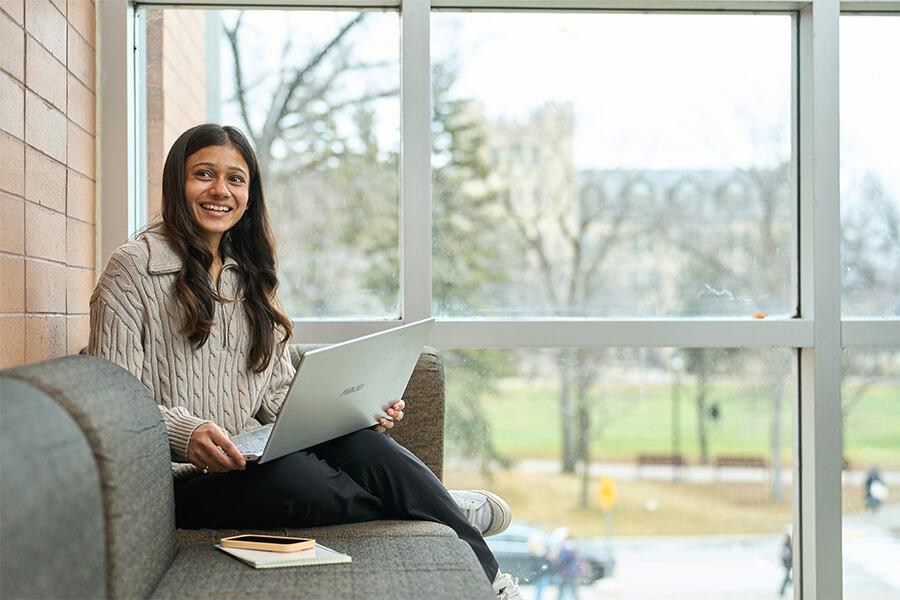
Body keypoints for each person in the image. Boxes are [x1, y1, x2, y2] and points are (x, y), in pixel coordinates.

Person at [87, 123, 522, 600]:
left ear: (249, 196)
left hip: (250, 456)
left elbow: (276, 398)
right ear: (177, 184)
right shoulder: (132, 269)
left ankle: (492, 582)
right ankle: (435, 505)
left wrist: (354, 412)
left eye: (236, 179)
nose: (220, 191)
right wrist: (186, 433)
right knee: (301, 480)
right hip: (181, 482)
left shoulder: (251, 278)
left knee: (365, 447)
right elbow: (116, 406)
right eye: (203, 174)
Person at [778, 529, 792, 596]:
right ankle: (781, 591)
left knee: (787, 578)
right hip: (787, 564)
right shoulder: (786, 546)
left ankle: (782, 591)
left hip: (788, 564)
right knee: (787, 578)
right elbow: (785, 555)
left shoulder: (788, 545)